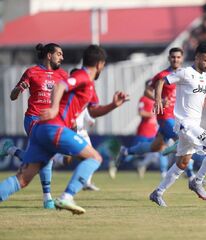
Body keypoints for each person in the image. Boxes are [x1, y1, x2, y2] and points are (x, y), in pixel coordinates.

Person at [0, 45, 129, 215]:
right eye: (103, 65)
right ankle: (67, 197)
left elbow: (92, 111)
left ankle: (46, 193)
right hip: (53, 125)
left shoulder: (87, 84)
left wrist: (113, 105)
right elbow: (60, 86)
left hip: (42, 128)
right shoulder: (81, 76)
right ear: (99, 64)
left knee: (23, 179)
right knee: (95, 158)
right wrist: (54, 109)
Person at [149, 43, 206, 207]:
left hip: (193, 125)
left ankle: (157, 193)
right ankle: (197, 181)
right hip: (185, 124)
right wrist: (157, 100)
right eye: (205, 60)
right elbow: (161, 81)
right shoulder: (185, 73)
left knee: (182, 163)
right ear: (197, 57)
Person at [0, 43, 68, 209]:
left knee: (41, 158)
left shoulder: (63, 75)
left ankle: (11, 150)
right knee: (46, 155)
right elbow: (13, 96)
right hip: (33, 119)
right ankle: (47, 199)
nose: (62, 57)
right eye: (59, 54)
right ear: (49, 55)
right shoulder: (32, 72)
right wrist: (19, 88)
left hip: (52, 121)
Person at [116, 47, 200, 181]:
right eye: (173, 57)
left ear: (182, 59)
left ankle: (126, 151)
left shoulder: (186, 74)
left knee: (155, 146)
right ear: (169, 58)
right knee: (185, 139)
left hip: (178, 117)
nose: (175, 59)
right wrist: (159, 99)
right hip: (165, 117)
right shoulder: (162, 75)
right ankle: (191, 177)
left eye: (178, 57)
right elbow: (146, 91)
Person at [109, 79, 159, 179]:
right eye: (151, 87)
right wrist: (152, 114)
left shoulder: (157, 100)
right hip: (144, 132)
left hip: (154, 132)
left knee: (156, 153)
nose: (153, 89)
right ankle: (114, 164)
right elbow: (141, 113)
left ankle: (142, 165)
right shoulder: (143, 99)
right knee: (132, 153)